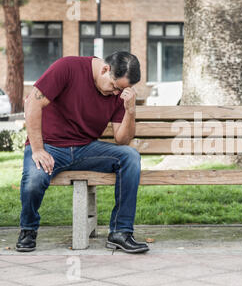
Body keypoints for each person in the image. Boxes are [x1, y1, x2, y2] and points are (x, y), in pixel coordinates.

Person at [16, 51, 149, 254]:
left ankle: (121, 232)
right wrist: (37, 149)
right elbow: (33, 103)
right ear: (105, 69)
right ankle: (28, 230)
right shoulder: (68, 67)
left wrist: (130, 110)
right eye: (114, 86)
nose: (115, 93)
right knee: (34, 180)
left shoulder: (119, 93)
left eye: (121, 90)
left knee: (130, 156)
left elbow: (122, 139)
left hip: (86, 149)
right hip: (50, 146)